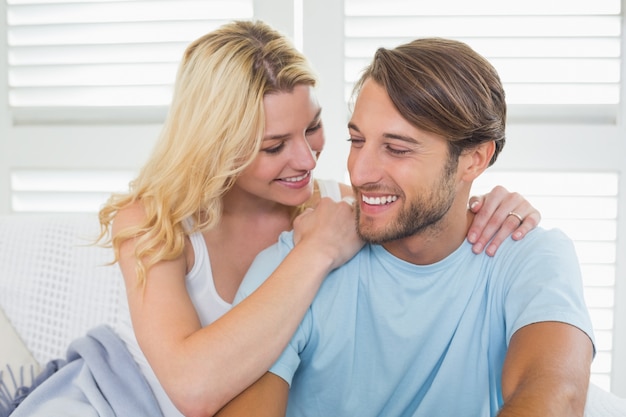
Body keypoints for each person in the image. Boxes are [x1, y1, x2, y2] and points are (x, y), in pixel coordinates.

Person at [6, 23, 539, 417]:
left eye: (314, 128)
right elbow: (190, 388)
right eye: (274, 146)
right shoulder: (153, 221)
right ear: (216, 147)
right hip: (120, 400)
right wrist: (315, 252)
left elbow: (426, 200)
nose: (307, 160)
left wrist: (496, 202)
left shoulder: (343, 205)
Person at [216, 37, 595, 417]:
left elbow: (555, 396)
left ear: (474, 159)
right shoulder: (293, 263)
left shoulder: (530, 258)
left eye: (396, 149)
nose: (359, 172)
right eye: (357, 140)